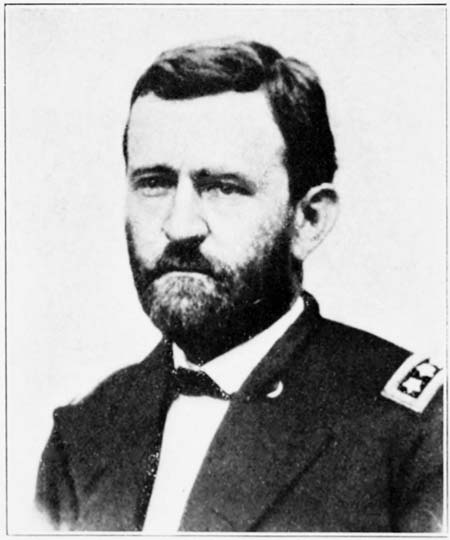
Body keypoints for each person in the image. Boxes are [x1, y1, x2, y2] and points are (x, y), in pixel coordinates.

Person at [35, 40, 443, 533]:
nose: (180, 226)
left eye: (224, 188)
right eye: (154, 183)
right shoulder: (85, 433)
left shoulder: (415, 430)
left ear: (308, 219)